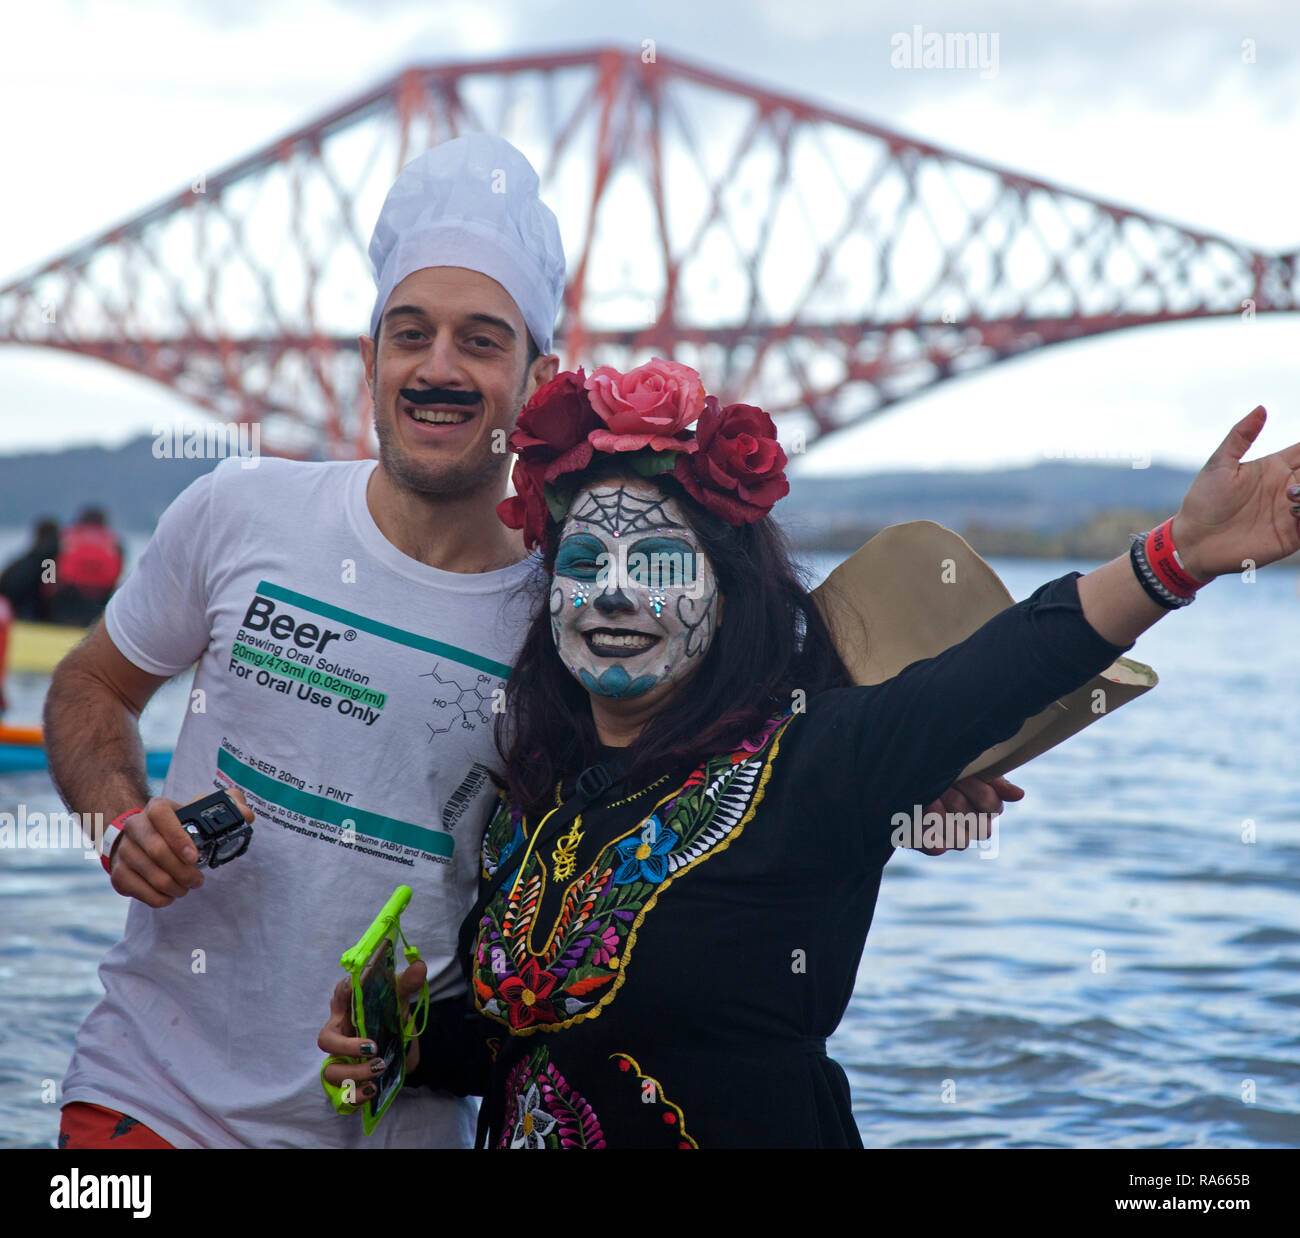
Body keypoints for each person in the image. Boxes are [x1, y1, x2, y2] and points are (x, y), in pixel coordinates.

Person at [319, 362, 1300, 1148]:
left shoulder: (806, 771)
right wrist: (398, 1043)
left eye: (656, 564)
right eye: (583, 564)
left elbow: (989, 675)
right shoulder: (540, 809)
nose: (612, 594)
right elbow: (527, 1043)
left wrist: (1173, 558)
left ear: (730, 591)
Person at [45, 132, 567, 1148]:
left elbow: (739, 728)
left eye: (481, 340)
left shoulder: (570, 613)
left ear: (539, 375)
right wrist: (118, 818)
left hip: (395, 1127)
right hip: (144, 1103)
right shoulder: (239, 512)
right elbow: (90, 683)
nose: (439, 368)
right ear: (369, 359)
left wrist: (926, 758)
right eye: (409, 334)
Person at [48, 507, 123, 626]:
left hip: (68, 595)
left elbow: (49, 563)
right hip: (101, 597)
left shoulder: (68, 536)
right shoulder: (113, 540)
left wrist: (48, 588)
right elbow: (118, 570)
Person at [0, 516, 60, 622]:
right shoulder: (50, 561)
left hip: (16, 615)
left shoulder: (23, 560)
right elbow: (48, 592)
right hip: (34, 617)